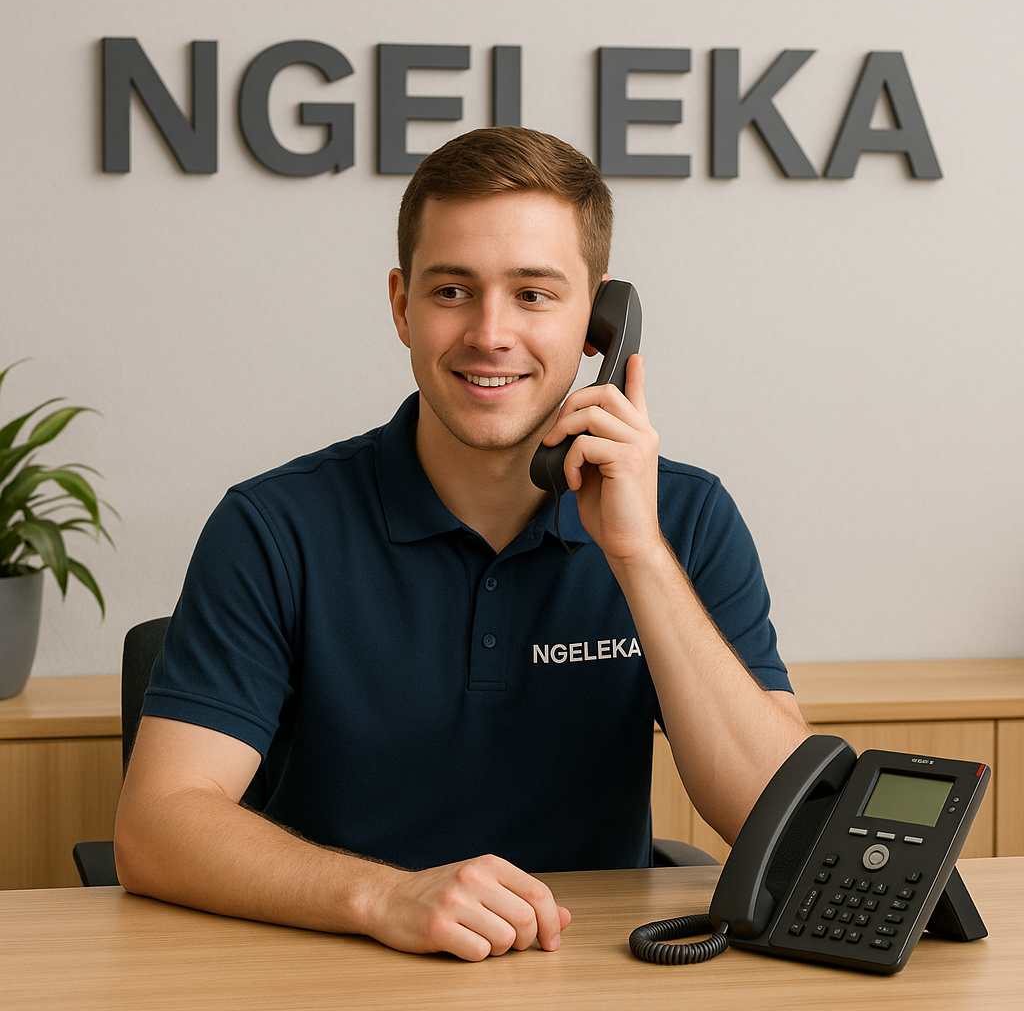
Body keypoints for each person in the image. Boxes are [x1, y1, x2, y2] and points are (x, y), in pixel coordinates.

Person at [114, 126, 811, 963]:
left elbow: (792, 824)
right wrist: (386, 896)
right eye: (452, 291)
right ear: (401, 305)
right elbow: (157, 826)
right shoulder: (273, 527)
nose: (489, 333)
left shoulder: (685, 519)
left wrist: (637, 557)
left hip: (588, 974)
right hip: (341, 966)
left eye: (533, 294)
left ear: (599, 319)